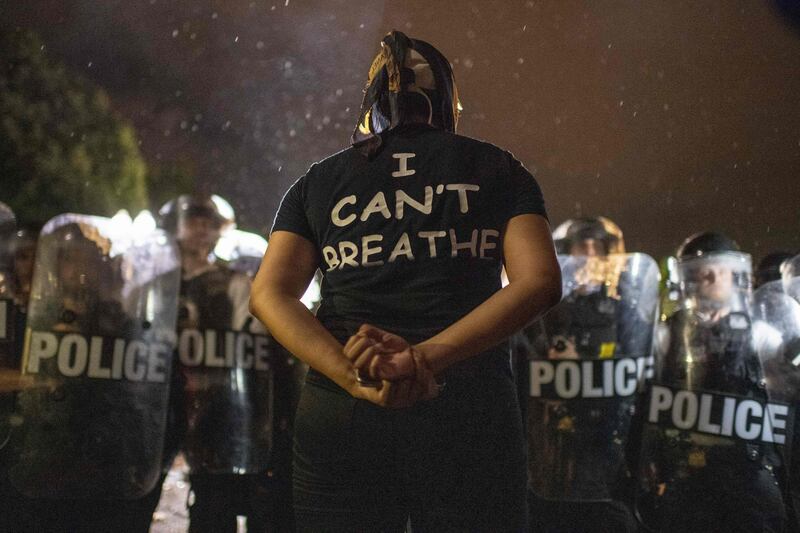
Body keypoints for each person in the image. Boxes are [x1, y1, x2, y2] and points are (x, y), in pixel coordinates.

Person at [249, 30, 561, 532]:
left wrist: (353, 375)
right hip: (467, 405)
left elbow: (269, 294)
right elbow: (540, 282)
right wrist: (422, 359)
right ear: (444, 99)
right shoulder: (499, 167)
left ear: (372, 102)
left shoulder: (318, 180)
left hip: (343, 407)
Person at [638, 231, 787, 532]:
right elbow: (646, 392)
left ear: (735, 274)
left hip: (746, 466)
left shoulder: (761, 332)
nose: (709, 277)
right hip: (685, 468)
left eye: (718, 269)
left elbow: (786, 392)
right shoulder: (669, 332)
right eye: (698, 271)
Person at [160, 194, 291, 533]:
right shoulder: (159, 284)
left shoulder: (233, 283)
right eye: (193, 222)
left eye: (208, 224)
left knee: (219, 500)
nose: (201, 231)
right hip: (171, 403)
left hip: (220, 403)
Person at [522, 217, 657, 533]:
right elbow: (527, 352)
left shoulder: (625, 307)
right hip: (556, 432)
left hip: (607, 431)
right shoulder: (549, 309)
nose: (590, 256)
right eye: (582, 248)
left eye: (598, 248)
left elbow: (638, 359)